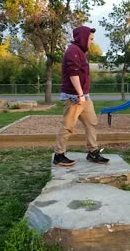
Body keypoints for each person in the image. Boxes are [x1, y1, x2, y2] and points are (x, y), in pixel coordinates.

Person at [53, 26, 109, 166]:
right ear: (82, 38)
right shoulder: (73, 52)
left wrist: (84, 95)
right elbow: (73, 74)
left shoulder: (80, 52)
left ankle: (93, 152)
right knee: (68, 126)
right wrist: (80, 94)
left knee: (91, 122)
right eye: (90, 39)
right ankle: (59, 155)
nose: (92, 42)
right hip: (75, 97)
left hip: (84, 96)